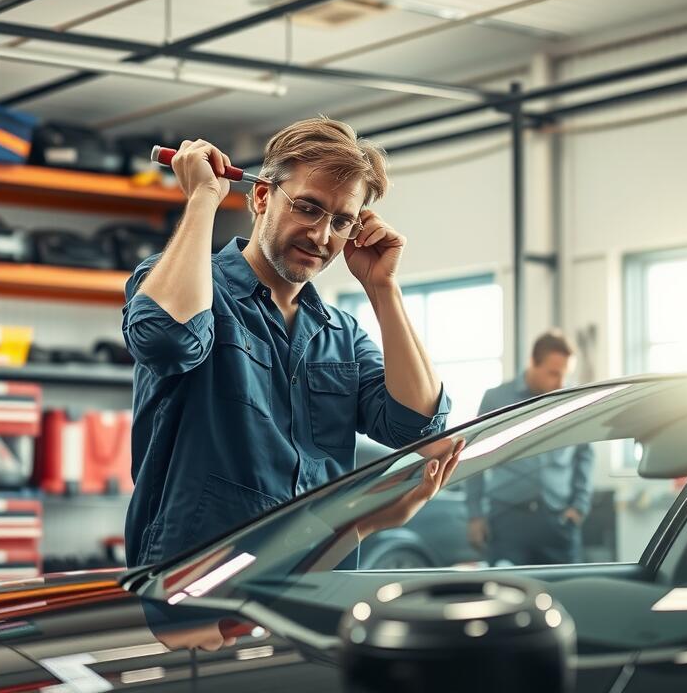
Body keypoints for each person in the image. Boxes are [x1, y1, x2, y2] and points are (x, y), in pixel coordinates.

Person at [122, 118, 450, 567]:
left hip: (312, 581)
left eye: (341, 221)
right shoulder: (185, 284)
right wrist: (203, 199)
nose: (321, 237)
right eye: (308, 208)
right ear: (261, 196)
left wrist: (382, 289)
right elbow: (167, 340)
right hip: (197, 589)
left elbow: (417, 426)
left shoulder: (342, 335)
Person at [465, 331, 594, 565]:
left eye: (565, 375)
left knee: (568, 592)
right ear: (533, 363)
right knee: (507, 594)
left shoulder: (573, 398)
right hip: (506, 521)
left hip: (559, 521)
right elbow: (473, 457)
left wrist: (580, 506)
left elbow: (584, 454)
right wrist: (475, 514)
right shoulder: (496, 399)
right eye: (554, 374)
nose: (561, 383)